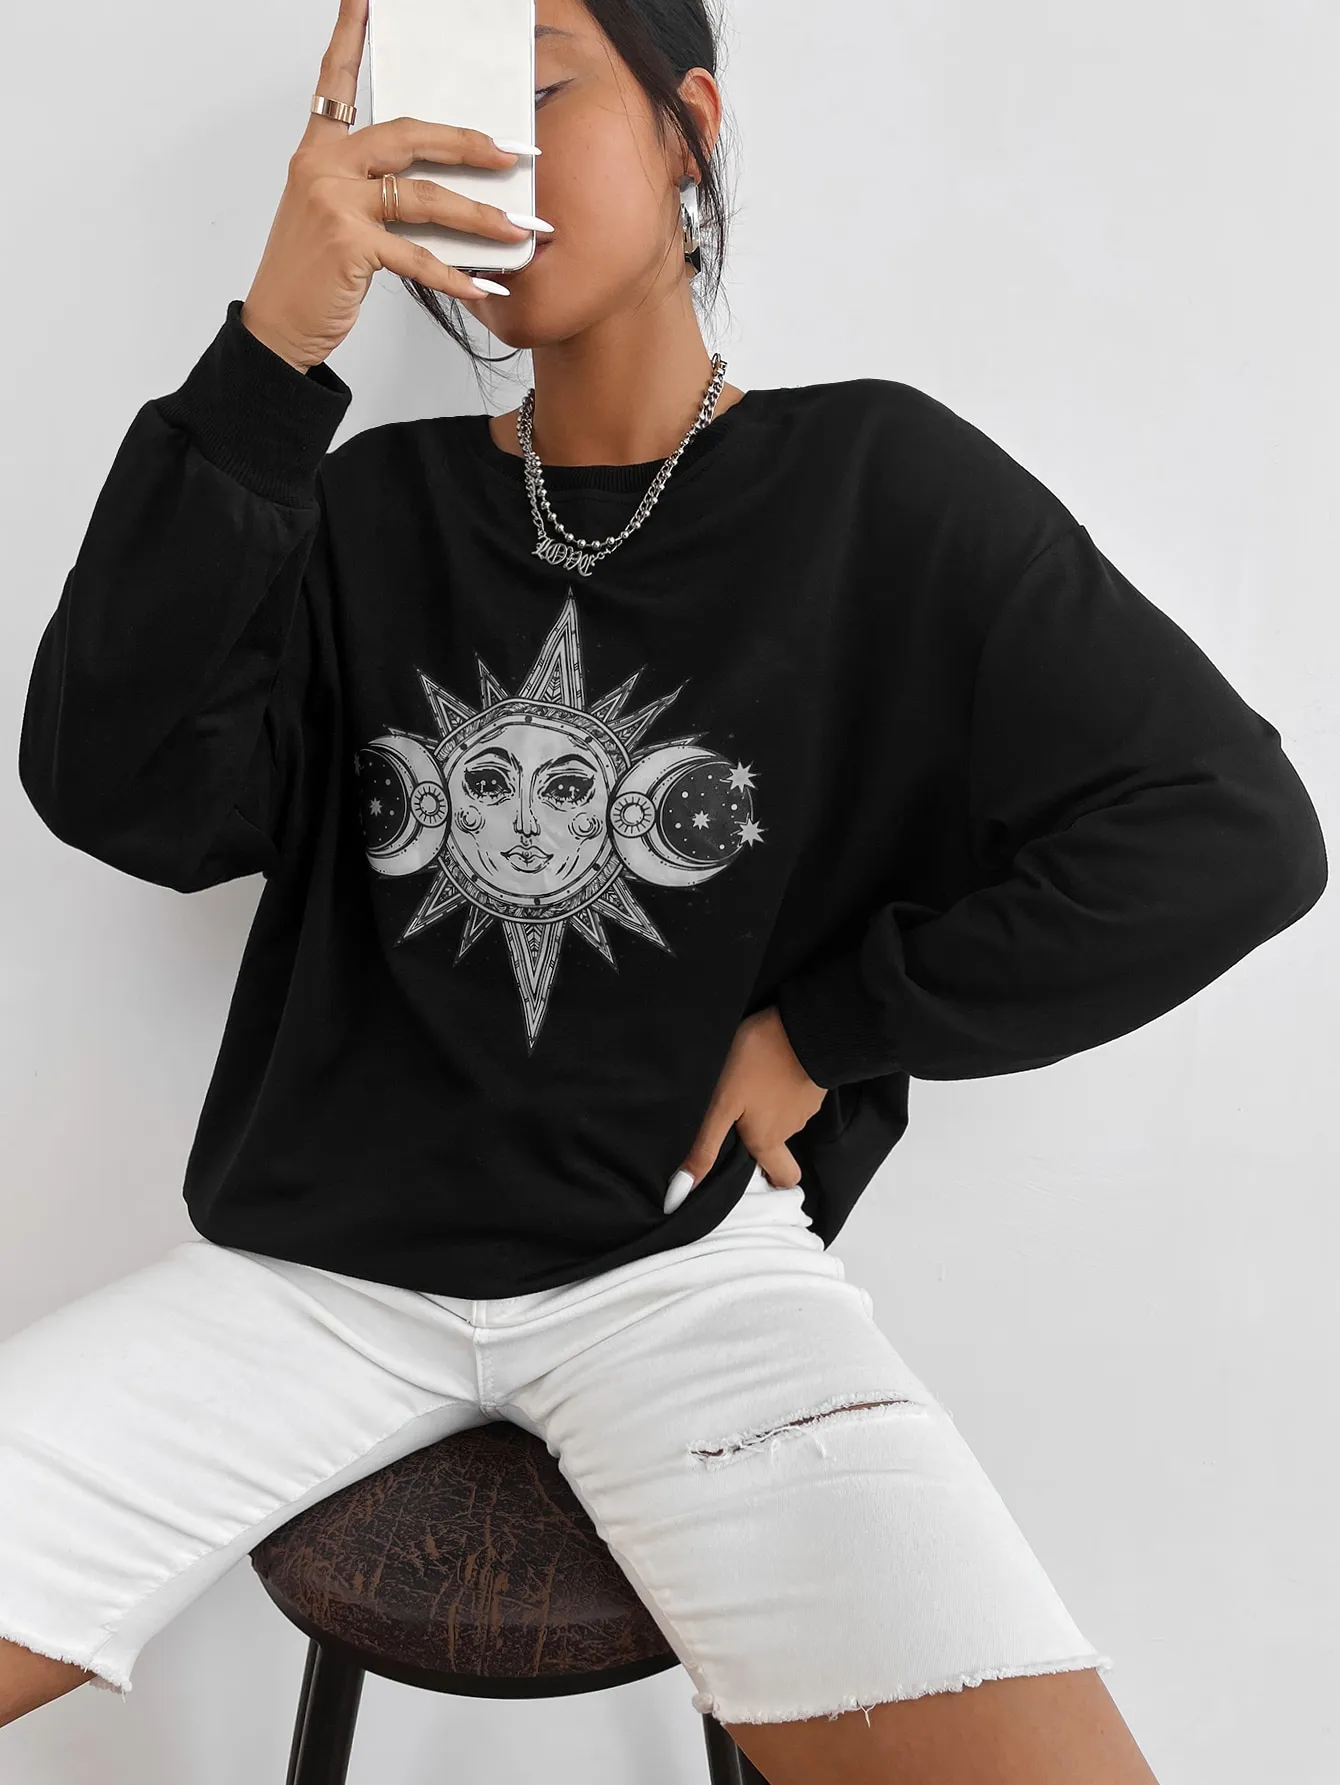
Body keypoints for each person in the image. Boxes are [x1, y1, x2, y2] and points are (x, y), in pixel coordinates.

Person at [3, 0, 1326, 1776]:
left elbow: (1228, 828)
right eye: (435, 111)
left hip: (688, 1284)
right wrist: (271, 350)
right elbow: (113, 788)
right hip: (307, 1280)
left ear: (688, 124)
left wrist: (831, 1027)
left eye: (539, 88)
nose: (486, 155)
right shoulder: (365, 506)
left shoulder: (878, 487)